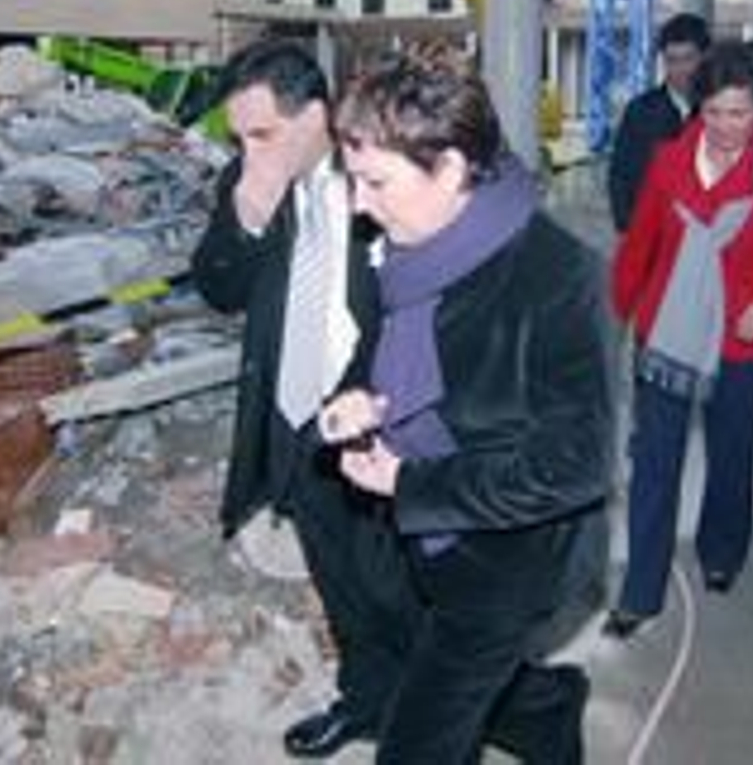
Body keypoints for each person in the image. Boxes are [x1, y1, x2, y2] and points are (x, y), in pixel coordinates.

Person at [319, 48, 614, 764]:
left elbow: (578, 465)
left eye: (374, 182)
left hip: (506, 560)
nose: (359, 206)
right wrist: (358, 396)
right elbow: (396, 347)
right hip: (419, 537)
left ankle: (541, 707)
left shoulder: (558, 276)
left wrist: (410, 485)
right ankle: (550, 709)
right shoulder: (417, 244)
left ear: (450, 168)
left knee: (420, 740)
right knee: (485, 682)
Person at [190, 38, 413, 760]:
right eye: (241, 137)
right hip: (294, 423)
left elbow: (415, 312)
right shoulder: (256, 178)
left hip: (375, 421)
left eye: (264, 133)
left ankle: (482, 711)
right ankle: (367, 702)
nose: (252, 149)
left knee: (403, 591)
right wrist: (247, 215)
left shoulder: (385, 174)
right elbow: (218, 288)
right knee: (339, 581)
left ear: (315, 114)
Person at [603, 41, 753, 637]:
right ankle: (640, 591)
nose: (725, 127)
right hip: (666, 332)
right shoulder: (668, 161)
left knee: (730, 454)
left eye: (739, 113)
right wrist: (618, 318)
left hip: (741, 343)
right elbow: (640, 243)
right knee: (653, 463)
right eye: (715, 112)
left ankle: (722, 554)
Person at [607, 12, 712, 231]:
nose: (681, 70)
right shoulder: (640, 113)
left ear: (705, 57)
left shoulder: (721, 112)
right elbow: (620, 178)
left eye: (688, 59)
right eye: (672, 60)